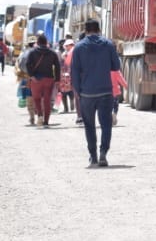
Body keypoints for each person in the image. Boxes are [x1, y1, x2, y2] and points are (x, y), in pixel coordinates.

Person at [70, 19, 122, 167]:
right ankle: (103, 153)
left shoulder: (78, 47)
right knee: (106, 125)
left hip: (87, 93)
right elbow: (116, 66)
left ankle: (92, 156)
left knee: (89, 126)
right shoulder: (108, 44)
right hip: (105, 91)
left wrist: (79, 91)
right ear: (99, 29)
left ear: (86, 31)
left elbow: (74, 72)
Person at [25, 34, 62, 126]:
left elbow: (27, 64)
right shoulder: (52, 53)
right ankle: (46, 121)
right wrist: (57, 79)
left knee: (36, 99)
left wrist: (32, 75)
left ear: (37, 43)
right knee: (47, 100)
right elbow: (57, 66)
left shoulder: (32, 52)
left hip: (36, 79)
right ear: (46, 43)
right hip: (49, 79)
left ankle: (40, 116)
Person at [59, 39, 76, 114]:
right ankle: (67, 107)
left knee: (69, 91)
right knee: (64, 92)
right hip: (64, 75)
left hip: (69, 75)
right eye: (65, 46)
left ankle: (70, 105)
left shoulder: (70, 54)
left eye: (67, 46)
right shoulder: (65, 54)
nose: (66, 47)